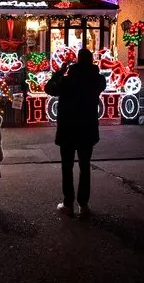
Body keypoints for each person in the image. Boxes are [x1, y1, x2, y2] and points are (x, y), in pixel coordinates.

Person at [44, 48, 106, 217]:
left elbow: (48, 89)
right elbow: (100, 83)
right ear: (91, 60)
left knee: (67, 166)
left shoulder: (67, 80)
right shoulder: (97, 79)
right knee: (85, 167)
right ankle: (84, 204)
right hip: (87, 129)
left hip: (68, 129)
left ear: (77, 60)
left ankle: (68, 202)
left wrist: (60, 71)